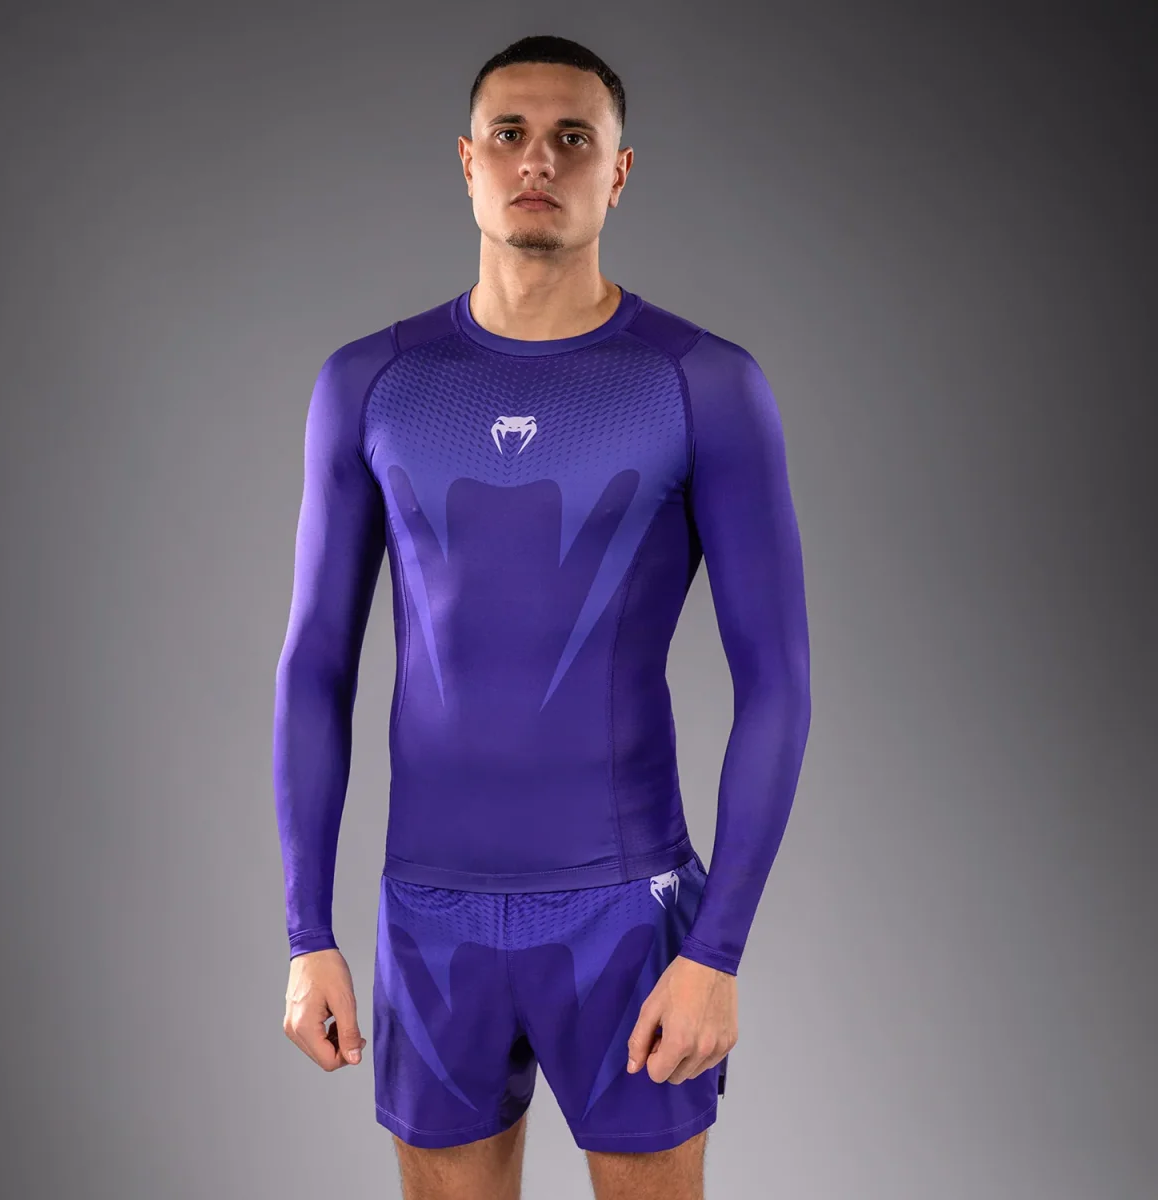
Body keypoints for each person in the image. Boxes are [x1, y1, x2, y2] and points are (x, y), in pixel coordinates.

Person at [273, 33, 812, 1200]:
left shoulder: (701, 384)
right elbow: (316, 663)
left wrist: (717, 951)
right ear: (467, 163)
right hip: (430, 915)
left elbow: (777, 682)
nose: (539, 160)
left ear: (619, 173)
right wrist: (306, 932)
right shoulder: (372, 385)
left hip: (628, 910)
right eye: (510, 135)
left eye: (574, 137)